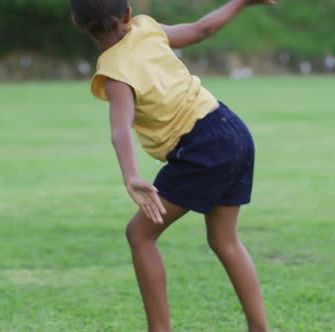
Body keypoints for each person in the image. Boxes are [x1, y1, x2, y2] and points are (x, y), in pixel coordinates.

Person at [70, 1, 275, 331]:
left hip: (200, 147)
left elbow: (120, 128)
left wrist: (132, 176)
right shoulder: (146, 28)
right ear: (127, 13)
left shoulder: (114, 71)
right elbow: (201, 29)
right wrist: (240, 2)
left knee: (140, 234)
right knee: (225, 240)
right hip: (230, 128)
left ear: (77, 23)